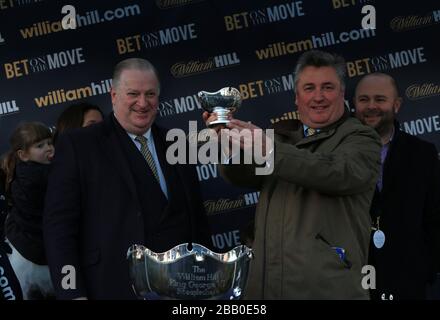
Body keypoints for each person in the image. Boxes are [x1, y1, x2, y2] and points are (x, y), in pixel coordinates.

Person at [204, 50, 381, 299]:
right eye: (309, 88)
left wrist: (268, 149)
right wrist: (229, 142)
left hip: (326, 292)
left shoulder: (361, 138)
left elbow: (334, 172)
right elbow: (241, 176)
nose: (318, 96)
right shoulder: (281, 136)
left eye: (327, 87)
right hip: (265, 289)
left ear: (342, 94)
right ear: (297, 97)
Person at [43, 58, 211, 300]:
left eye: (150, 94)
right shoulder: (79, 145)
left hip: (183, 291)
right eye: (133, 93)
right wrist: (72, 293)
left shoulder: (177, 142)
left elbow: (197, 221)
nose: (142, 103)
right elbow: (59, 228)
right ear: (113, 95)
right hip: (113, 288)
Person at [354, 72, 440, 300]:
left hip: (410, 281)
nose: (371, 106)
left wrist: (426, 268)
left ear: (397, 105)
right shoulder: (339, 153)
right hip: (355, 282)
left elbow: (434, 217)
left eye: (380, 99)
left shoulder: (423, 154)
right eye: (363, 100)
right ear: (353, 105)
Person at [1, 122, 55, 299]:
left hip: (23, 246)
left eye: (49, 142)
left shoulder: (19, 172)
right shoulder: (42, 175)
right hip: (35, 253)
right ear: (23, 155)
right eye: (40, 146)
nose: (48, 148)